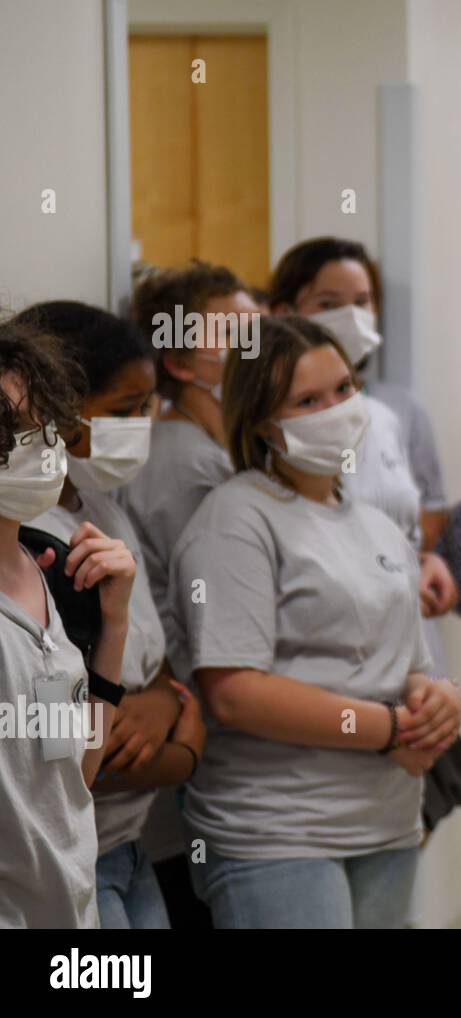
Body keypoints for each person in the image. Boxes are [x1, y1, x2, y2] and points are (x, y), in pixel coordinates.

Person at [172, 315, 461, 928]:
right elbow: (236, 694)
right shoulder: (236, 518)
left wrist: (434, 704)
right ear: (261, 422)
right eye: (308, 400)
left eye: (344, 388)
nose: (336, 409)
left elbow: (406, 667)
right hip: (278, 831)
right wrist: (388, 729)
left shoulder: (373, 524)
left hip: (385, 821)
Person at [17, 301, 207, 929]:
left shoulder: (101, 509)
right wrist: (185, 744)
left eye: (147, 406)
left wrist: (164, 703)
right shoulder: (34, 549)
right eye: (122, 410)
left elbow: (146, 668)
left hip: (130, 845)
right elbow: (69, 765)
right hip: (67, 861)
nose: (141, 424)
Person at [121, 260, 257, 927]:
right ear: (178, 358)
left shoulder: (220, 447)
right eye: (236, 333)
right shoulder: (182, 461)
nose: (258, 347)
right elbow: (217, 609)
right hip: (189, 732)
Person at [0, 317, 134, 928]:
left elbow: (73, 771)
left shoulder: (41, 574)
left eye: (45, 425)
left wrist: (115, 623)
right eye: (15, 432)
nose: (43, 445)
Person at [268, 237, 457, 654]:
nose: (351, 316)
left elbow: (425, 517)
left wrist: (421, 564)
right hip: (335, 641)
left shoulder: (392, 413)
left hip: (411, 630)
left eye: (363, 301)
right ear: (284, 312)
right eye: (330, 303)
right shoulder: (271, 424)